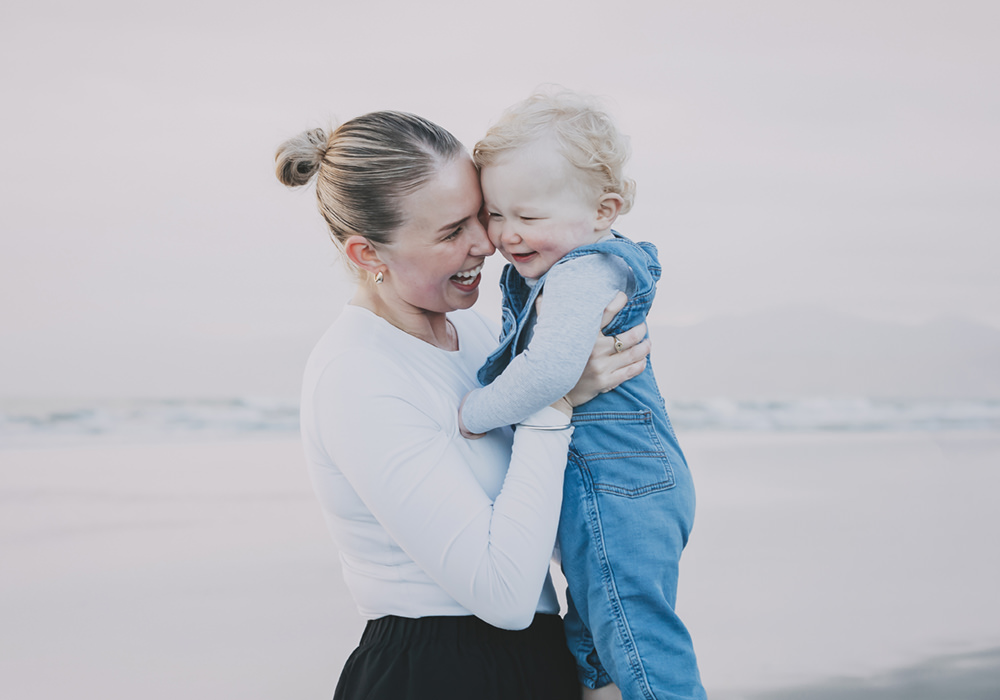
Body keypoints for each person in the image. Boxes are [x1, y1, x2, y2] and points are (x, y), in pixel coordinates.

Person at [274, 110, 651, 700]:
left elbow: (546, 520)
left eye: (481, 214)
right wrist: (553, 404)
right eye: (452, 233)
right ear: (367, 253)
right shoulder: (358, 374)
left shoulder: (476, 338)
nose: (487, 243)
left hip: (540, 660)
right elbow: (502, 593)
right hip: (437, 673)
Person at [458, 91, 706, 700]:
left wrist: (470, 414)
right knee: (595, 638)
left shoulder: (583, 271)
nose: (507, 235)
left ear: (604, 210)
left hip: (618, 484)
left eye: (530, 217)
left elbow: (549, 372)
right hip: (620, 478)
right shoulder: (556, 268)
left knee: (636, 640)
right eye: (494, 214)